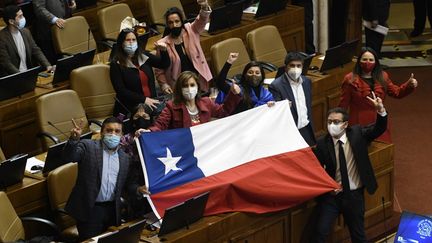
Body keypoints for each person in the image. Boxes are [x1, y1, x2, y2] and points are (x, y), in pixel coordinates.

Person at [312, 93, 388, 243]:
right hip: (332, 196)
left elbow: (379, 128)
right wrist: (328, 186)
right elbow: (317, 169)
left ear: (345, 124)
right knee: (320, 232)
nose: (332, 125)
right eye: (329, 122)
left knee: (358, 235)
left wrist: (381, 110)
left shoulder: (357, 134)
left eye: (336, 121)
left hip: (354, 195)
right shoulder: (322, 143)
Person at [63, 117, 133, 240]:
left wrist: (138, 189)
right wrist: (74, 140)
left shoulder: (125, 158)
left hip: (112, 210)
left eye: (117, 131)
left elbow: (126, 184)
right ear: (101, 132)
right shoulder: (88, 146)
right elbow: (70, 157)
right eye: (109, 130)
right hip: (91, 209)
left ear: (122, 134)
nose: (113, 134)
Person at [339, 47, 417, 143]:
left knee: (382, 151)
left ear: (376, 62)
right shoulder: (350, 79)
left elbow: (397, 93)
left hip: (379, 122)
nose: (368, 62)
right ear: (359, 61)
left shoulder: (383, 76)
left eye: (371, 60)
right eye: (364, 59)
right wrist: (339, 126)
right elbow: (343, 105)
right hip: (358, 124)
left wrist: (408, 85)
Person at [149, 71, 242, 131]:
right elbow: (160, 125)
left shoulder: (206, 102)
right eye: (185, 86)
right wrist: (149, 131)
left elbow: (223, 111)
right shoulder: (171, 107)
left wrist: (233, 94)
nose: (189, 89)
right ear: (179, 89)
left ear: (197, 87)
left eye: (192, 85)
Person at [154, 0, 213, 94]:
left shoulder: (191, 30)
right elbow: (159, 70)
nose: (174, 25)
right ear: (167, 25)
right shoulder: (163, 44)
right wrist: (164, 84)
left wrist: (204, 6)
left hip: (199, 81)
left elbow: (202, 19)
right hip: (179, 87)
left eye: (177, 21)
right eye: (171, 22)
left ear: (182, 21)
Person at [110, 28, 170, 116]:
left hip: (152, 102)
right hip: (131, 106)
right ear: (121, 43)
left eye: (133, 40)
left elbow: (164, 64)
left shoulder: (143, 56)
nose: (131, 42)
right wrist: (144, 99)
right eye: (128, 40)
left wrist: (164, 51)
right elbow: (121, 91)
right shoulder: (116, 64)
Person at [269, 52, 315, 146]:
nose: (295, 69)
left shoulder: (306, 81)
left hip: (307, 128)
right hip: (291, 132)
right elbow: (277, 111)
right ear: (286, 68)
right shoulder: (276, 86)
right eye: (292, 65)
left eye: (299, 66)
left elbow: (308, 106)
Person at [0, 4, 52, 77]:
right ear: (11, 21)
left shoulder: (25, 31)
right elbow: (6, 63)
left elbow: (35, 50)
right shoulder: (2, 38)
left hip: (29, 72)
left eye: (23, 15)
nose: (23, 18)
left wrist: (47, 65)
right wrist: (22, 76)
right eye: (20, 16)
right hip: (12, 77)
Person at [120, 103, 153, 218]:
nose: (140, 120)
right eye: (136, 117)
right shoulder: (124, 141)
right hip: (134, 183)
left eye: (145, 117)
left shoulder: (157, 136)